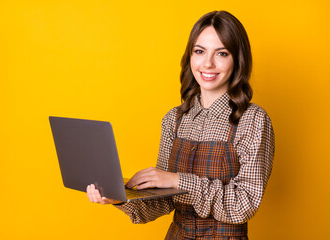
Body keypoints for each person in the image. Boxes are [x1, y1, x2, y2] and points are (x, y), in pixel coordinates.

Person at [87, 10, 275, 239]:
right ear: (190, 56)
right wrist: (120, 198)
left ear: (238, 59)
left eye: (222, 53)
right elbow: (163, 202)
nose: (207, 63)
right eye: (200, 51)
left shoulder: (252, 119)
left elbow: (244, 205)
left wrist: (177, 180)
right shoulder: (174, 119)